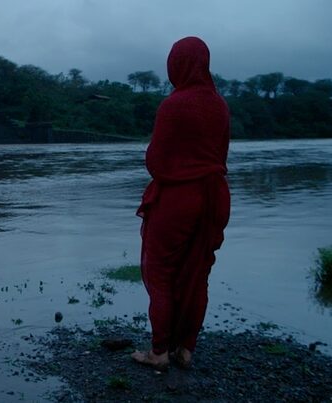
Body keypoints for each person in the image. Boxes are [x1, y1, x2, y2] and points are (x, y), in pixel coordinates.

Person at [130, 36, 231, 370]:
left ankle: (158, 352)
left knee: (160, 271)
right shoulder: (220, 105)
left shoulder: (173, 105)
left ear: (176, 64)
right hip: (215, 197)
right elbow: (221, 156)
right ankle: (185, 349)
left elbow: (156, 163)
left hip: (178, 199)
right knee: (197, 271)